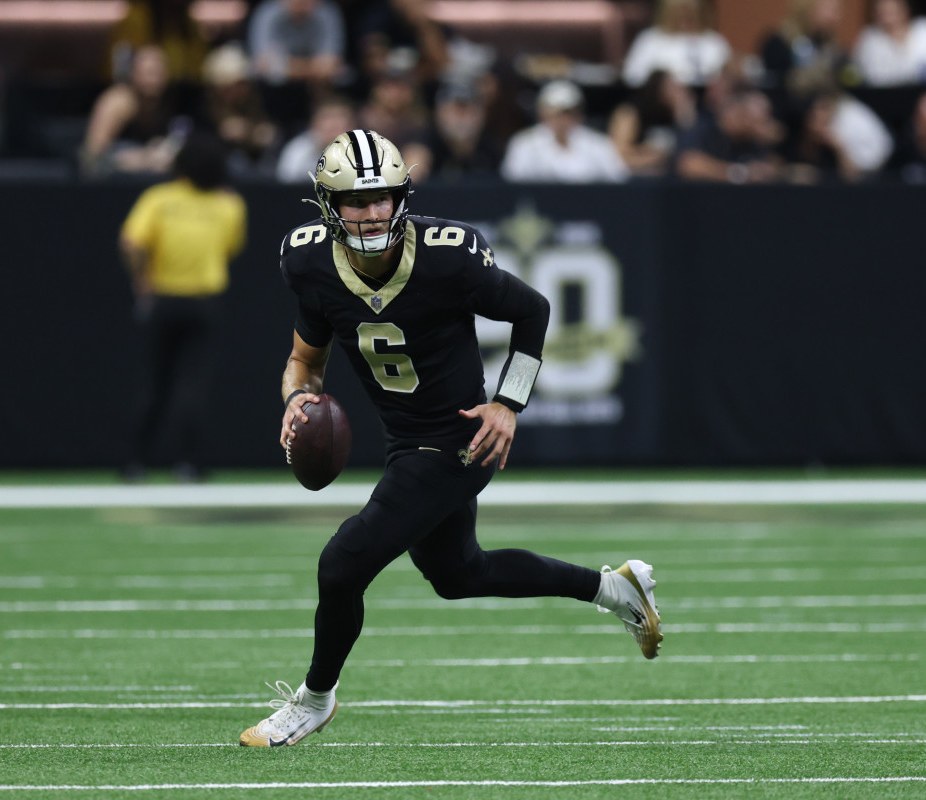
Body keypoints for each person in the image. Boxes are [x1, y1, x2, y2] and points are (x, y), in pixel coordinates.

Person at [238, 129, 661, 747]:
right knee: (459, 573)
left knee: (342, 563)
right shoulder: (308, 262)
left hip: (461, 438)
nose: (372, 212)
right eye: (356, 201)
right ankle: (615, 588)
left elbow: (534, 311)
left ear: (401, 196)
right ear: (329, 205)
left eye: (382, 197)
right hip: (405, 439)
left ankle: (314, 699)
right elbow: (305, 362)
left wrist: (508, 403)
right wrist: (297, 396)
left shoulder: (447, 254)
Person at [120, 132, 247, 482]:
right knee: (193, 385)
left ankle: (134, 463)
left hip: (162, 299)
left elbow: (130, 242)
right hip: (203, 303)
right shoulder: (230, 205)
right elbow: (230, 249)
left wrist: (141, 280)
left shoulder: (159, 198)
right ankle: (188, 464)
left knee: (154, 382)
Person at [500, 80, 630, 183]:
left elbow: (619, 178)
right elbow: (512, 181)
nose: (562, 119)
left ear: (579, 114)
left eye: (567, 112)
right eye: (554, 112)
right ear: (542, 113)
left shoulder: (598, 143)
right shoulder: (525, 143)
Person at [83, 45, 184, 176]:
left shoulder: (166, 102)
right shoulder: (118, 101)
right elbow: (92, 154)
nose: (154, 80)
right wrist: (140, 158)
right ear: (133, 74)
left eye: (160, 73)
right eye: (149, 73)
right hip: (115, 179)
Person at [673, 85, 784, 183]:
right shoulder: (701, 126)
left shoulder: (749, 139)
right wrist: (739, 173)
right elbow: (688, 165)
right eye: (755, 122)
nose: (759, 128)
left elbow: (771, 165)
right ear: (739, 115)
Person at [622, 0, 732, 89]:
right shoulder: (650, 40)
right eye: (680, 14)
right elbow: (632, 77)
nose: (684, 20)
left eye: (690, 15)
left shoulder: (714, 41)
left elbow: (728, 76)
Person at [200, 42, 279, 164]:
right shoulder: (203, 110)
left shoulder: (260, 98)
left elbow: (274, 130)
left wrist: (256, 132)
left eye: (242, 84)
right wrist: (221, 135)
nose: (238, 90)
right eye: (229, 86)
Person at [607, 69, 697, 177]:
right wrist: (652, 156)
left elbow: (690, 153)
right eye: (672, 87)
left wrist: (684, 111)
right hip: (633, 177)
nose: (677, 93)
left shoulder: (675, 115)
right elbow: (618, 156)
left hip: (668, 178)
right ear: (658, 88)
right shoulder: (630, 112)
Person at [852, 0, 926, 87]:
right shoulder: (870, 38)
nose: (888, 13)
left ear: (904, 8)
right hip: (884, 97)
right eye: (883, 10)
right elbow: (864, 75)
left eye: (892, 9)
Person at [760, 0, 850, 95]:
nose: (836, 17)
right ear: (809, 8)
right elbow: (776, 85)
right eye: (831, 10)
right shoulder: (780, 42)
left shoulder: (831, 47)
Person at [274, 94, 356, 182]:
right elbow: (285, 184)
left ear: (352, 125)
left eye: (340, 117)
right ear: (313, 123)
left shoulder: (364, 150)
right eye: (326, 117)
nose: (332, 123)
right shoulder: (297, 150)